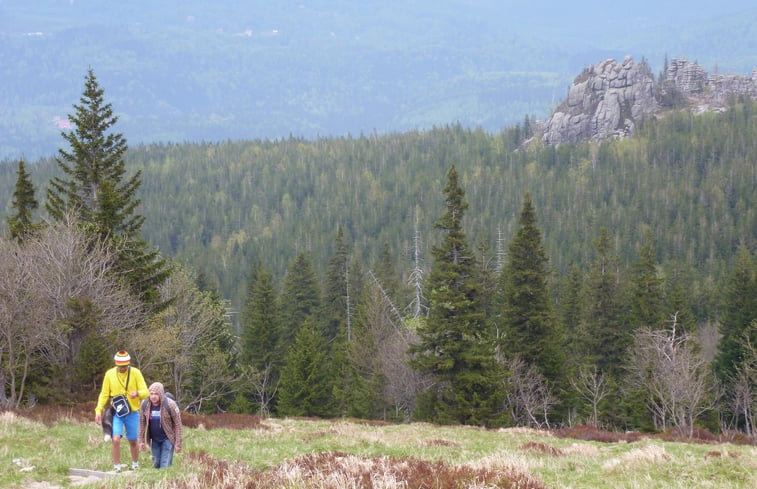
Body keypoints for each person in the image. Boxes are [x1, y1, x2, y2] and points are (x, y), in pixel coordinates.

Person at [94, 350, 148, 472]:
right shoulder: (109, 374)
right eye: (120, 366)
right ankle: (117, 467)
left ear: (128, 364)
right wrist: (98, 410)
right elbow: (104, 394)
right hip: (117, 412)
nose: (122, 368)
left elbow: (146, 392)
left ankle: (135, 464)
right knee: (115, 439)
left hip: (133, 412)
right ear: (116, 364)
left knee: (133, 440)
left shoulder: (136, 373)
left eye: (124, 366)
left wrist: (137, 393)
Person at [138, 382, 183, 468]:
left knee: (164, 465)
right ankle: (157, 481)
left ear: (161, 394)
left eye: (156, 394)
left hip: (168, 439)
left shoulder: (171, 405)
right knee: (156, 464)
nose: (153, 396)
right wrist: (141, 441)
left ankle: (166, 480)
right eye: (151, 394)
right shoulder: (145, 405)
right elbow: (141, 423)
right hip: (154, 440)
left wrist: (178, 443)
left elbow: (178, 425)